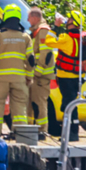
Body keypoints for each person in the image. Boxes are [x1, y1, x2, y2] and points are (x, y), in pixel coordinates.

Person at [0, 5, 34, 137]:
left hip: (0, 79)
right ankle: (21, 136)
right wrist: (29, 76)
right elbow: (31, 59)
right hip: (19, 79)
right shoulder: (25, 37)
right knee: (20, 108)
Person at [53, 10, 86, 141]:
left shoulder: (66, 38)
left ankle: (72, 134)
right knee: (71, 104)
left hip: (65, 77)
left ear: (73, 23)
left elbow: (48, 41)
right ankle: (70, 132)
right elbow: (85, 60)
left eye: (69, 19)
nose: (67, 20)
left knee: (69, 105)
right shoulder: (84, 39)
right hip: (77, 77)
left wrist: (55, 27)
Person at [27, 7, 58, 139]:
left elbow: (46, 53)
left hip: (40, 75)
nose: (28, 21)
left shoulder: (43, 30)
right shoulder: (36, 31)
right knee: (31, 103)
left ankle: (42, 132)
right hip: (35, 74)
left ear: (35, 18)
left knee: (40, 103)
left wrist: (38, 72)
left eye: (29, 18)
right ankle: (29, 130)